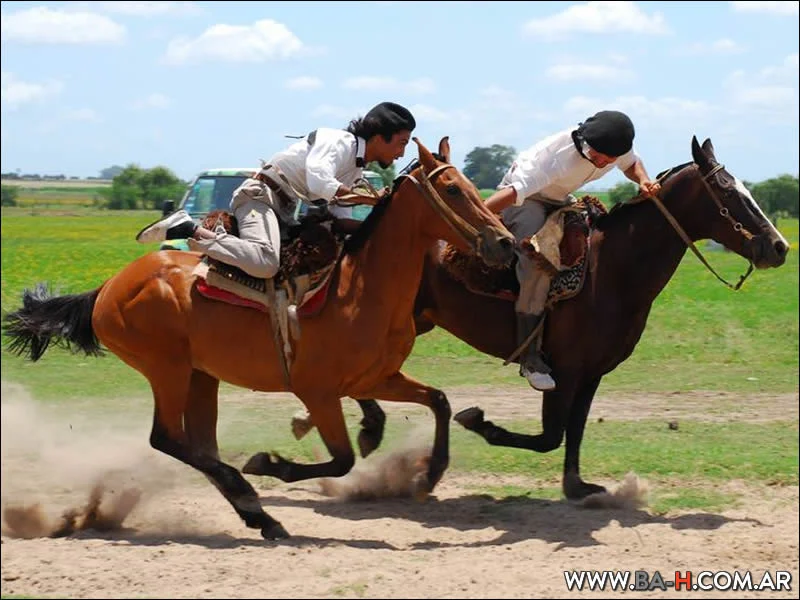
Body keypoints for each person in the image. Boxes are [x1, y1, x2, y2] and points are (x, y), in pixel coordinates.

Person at [483, 110, 661, 392]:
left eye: (609, 160)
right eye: (598, 156)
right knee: (537, 264)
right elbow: (512, 194)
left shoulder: (614, 146)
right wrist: (476, 216)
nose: (603, 162)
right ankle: (530, 358)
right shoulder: (554, 159)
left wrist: (643, 180)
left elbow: (632, 164)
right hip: (524, 199)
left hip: (561, 199)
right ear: (584, 142)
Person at [136, 102, 416, 280]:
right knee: (266, 264)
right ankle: (189, 229)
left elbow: (339, 216)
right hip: (259, 197)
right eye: (401, 143)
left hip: (280, 208)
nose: (402, 153)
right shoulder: (339, 141)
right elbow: (320, 181)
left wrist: (379, 224)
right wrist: (367, 198)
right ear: (380, 138)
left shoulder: (354, 171)